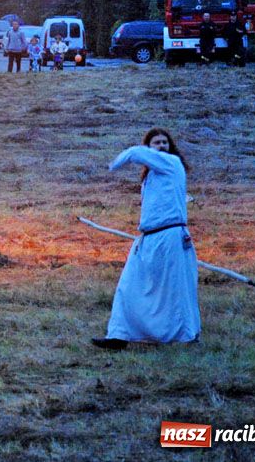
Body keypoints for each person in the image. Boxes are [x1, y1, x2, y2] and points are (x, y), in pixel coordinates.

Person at [92, 128, 200, 350]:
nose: (161, 146)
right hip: (149, 237)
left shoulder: (171, 164)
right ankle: (118, 336)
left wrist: (111, 166)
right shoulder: (151, 177)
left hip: (171, 237)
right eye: (156, 143)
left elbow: (134, 153)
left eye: (164, 142)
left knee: (175, 290)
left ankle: (186, 337)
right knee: (129, 285)